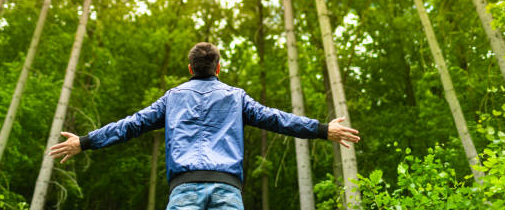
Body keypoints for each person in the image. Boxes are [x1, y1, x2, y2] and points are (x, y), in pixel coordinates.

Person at [49, 42, 360, 209]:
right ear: (218, 68)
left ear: (190, 69)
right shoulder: (236, 97)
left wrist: (85, 141)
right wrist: (322, 129)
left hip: (184, 191)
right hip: (227, 191)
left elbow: (131, 124)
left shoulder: (172, 99)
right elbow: (277, 119)